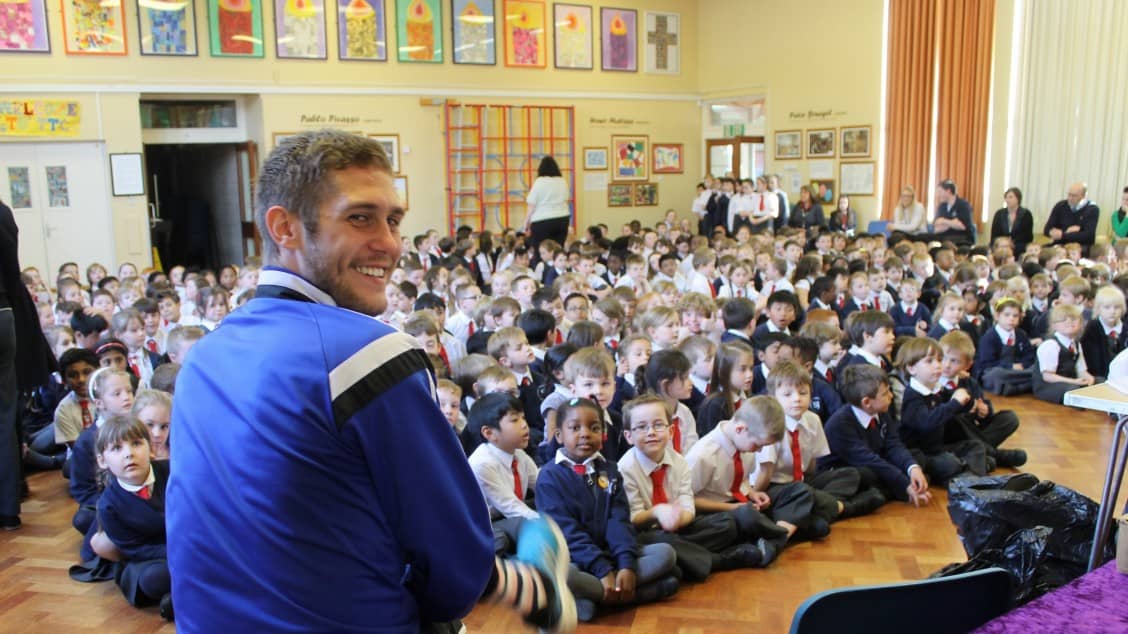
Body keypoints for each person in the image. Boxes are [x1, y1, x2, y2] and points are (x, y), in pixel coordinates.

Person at [167, 131, 574, 632]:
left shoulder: (202, 360)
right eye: (360, 218)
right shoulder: (369, 354)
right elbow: (450, 556)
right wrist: (508, 584)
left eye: (394, 219)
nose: (389, 243)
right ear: (285, 228)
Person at [2, 199, 56, 530]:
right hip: (3, 312)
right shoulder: (2, 211)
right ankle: (8, 506)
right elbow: (12, 270)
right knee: (5, 414)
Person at [524, 156, 572, 258]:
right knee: (558, 252)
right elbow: (566, 198)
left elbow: (531, 205)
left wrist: (526, 223)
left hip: (542, 221)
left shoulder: (540, 181)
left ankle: (543, 272)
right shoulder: (562, 181)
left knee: (541, 252)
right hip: (562, 219)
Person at [1043, 182, 1100, 254]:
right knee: (1041, 252)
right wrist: (1066, 233)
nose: (1070, 198)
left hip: (1081, 247)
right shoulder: (1061, 205)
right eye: (1069, 194)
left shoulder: (1092, 209)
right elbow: (1047, 229)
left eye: (1074, 196)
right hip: (1060, 244)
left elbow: (1088, 235)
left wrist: (1062, 235)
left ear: (1083, 196)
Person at [989, 187, 1035, 254]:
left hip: (1019, 245)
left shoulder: (1026, 214)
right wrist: (1005, 242)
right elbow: (994, 234)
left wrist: (1012, 243)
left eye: (1010, 197)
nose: (1007, 200)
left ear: (1018, 199)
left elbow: (1028, 236)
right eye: (1006, 197)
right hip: (1001, 243)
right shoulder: (999, 214)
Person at [932, 180, 975, 246]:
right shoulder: (942, 206)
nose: (938, 195)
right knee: (922, 237)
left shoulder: (964, 205)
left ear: (948, 191)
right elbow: (936, 227)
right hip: (943, 236)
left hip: (963, 238)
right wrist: (952, 223)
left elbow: (962, 227)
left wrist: (943, 221)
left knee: (945, 243)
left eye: (940, 192)